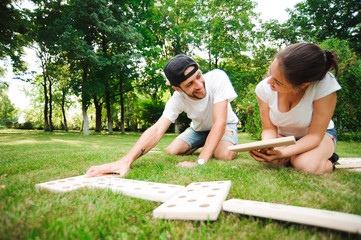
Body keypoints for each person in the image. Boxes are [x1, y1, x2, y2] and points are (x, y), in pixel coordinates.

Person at [86, 54, 239, 177]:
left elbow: (219, 122)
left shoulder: (218, 77)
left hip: (225, 125)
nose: (199, 85)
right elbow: (158, 129)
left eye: (198, 76)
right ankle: (209, 143)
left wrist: (200, 161)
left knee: (224, 154)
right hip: (199, 130)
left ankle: (216, 145)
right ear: (177, 89)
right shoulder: (177, 99)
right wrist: (126, 161)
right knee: (172, 150)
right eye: (189, 84)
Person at [249, 42, 341, 174]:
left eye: (278, 82)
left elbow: (315, 135)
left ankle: (329, 161)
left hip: (319, 136)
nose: (268, 82)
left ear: (303, 85)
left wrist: (283, 152)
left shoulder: (325, 85)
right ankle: (293, 156)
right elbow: (269, 129)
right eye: (270, 72)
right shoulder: (264, 88)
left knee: (306, 165)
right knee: (274, 161)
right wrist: (266, 147)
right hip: (285, 136)